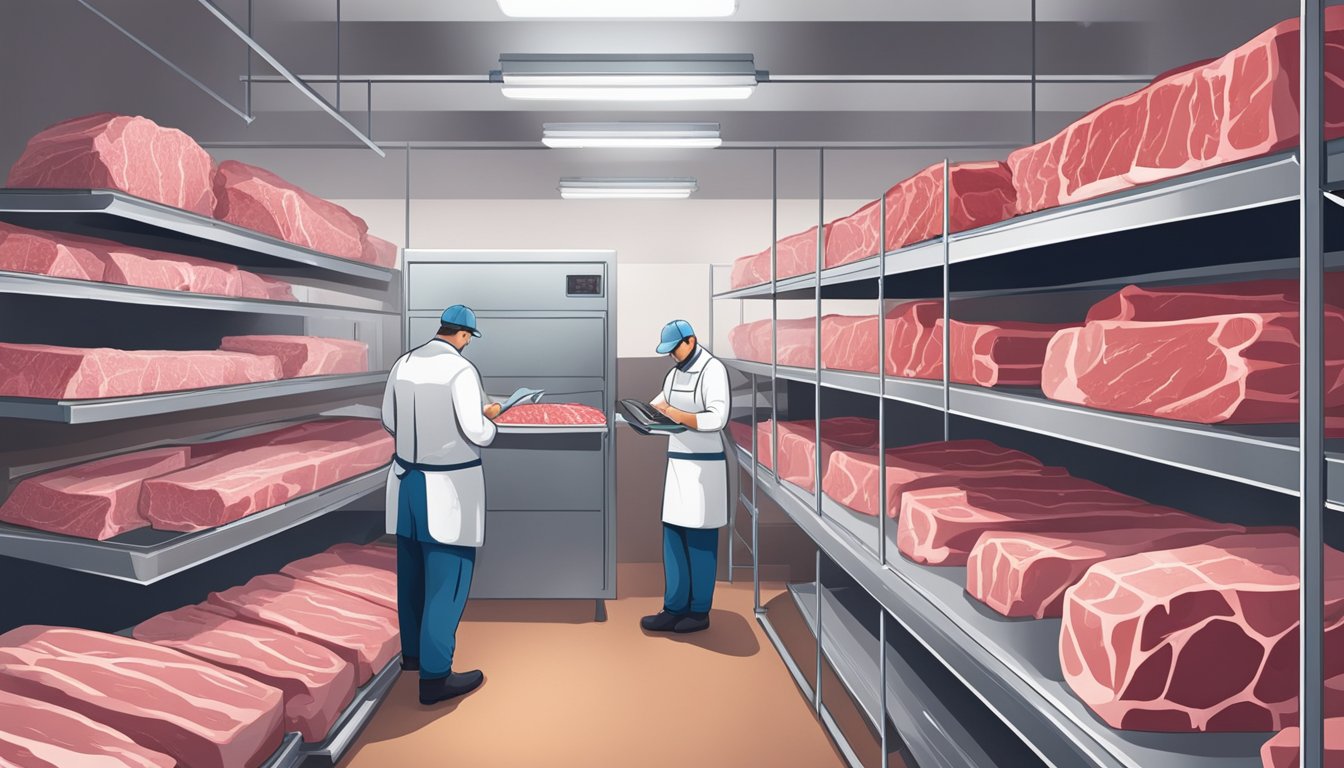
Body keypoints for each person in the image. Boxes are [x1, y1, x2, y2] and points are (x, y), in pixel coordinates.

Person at [382, 304, 501, 705]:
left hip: (405, 483)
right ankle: (436, 678)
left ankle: (412, 657)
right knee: (446, 583)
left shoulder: (405, 362)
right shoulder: (461, 371)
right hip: (448, 487)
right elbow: (478, 432)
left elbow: (388, 419)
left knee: (411, 577)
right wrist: (493, 419)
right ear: (465, 336)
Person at [640, 319, 731, 635]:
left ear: (690, 341)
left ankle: (699, 611)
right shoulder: (674, 373)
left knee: (700, 541)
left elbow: (717, 417)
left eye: (674, 349)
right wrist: (643, 415)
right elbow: (660, 403)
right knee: (674, 538)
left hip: (704, 468)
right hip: (677, 465)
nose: (671, 356)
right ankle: (673, 607)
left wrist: (678, 416)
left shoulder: (713, 370)